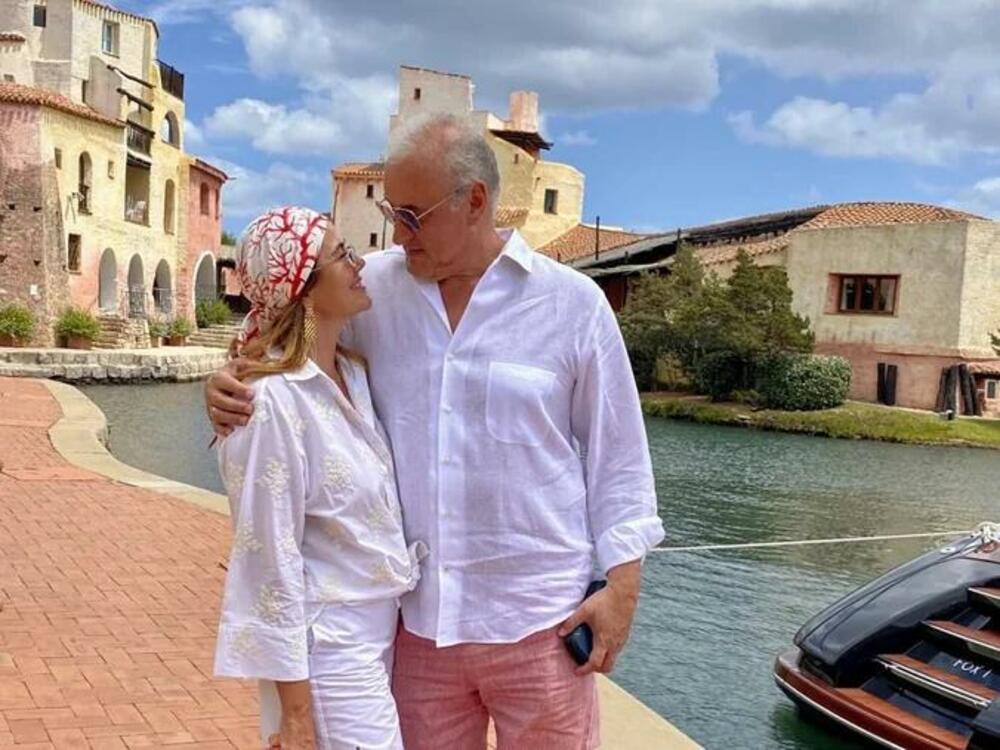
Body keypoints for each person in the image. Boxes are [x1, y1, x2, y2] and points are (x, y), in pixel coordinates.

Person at [207, 113, 664, 750]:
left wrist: (623, 588)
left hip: (542, 625)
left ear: (474, 201)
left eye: (412, 215)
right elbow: (285, 336)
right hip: (419, 633)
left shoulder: (573, 304)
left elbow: (619, 457)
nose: (397, 233)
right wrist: (225, 381)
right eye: (392, 212)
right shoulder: (373, 289)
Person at [212, 206, 425, 749]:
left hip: (378, 634)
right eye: (341, 255)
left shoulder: (351, 373)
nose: (359, 264)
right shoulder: (270, 404)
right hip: (329, 651)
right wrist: (297, 714)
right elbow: (268, 561)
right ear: (303, 287)